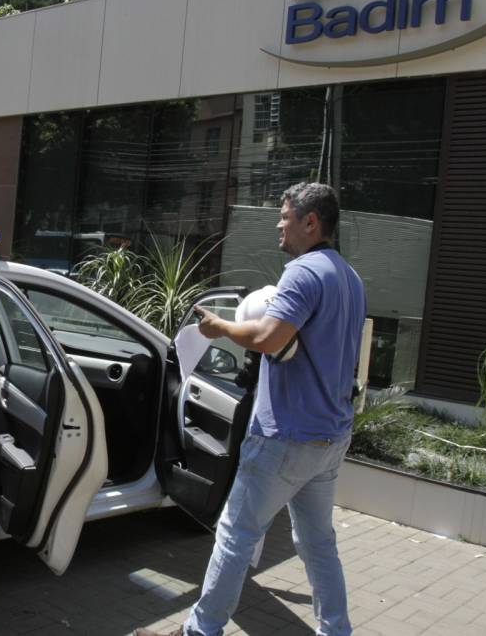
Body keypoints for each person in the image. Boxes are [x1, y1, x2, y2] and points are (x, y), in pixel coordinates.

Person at [137, 182, 366, 636]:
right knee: (317, 543)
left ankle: (201, 630)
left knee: (235, 535)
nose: (278, 224)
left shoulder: (302, 273)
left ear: (310, 222)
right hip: (330, 437)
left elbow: (267, 338)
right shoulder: (350, 278)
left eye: (284, 216)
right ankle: (337, 631)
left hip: (285, 436)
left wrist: (220, 327)